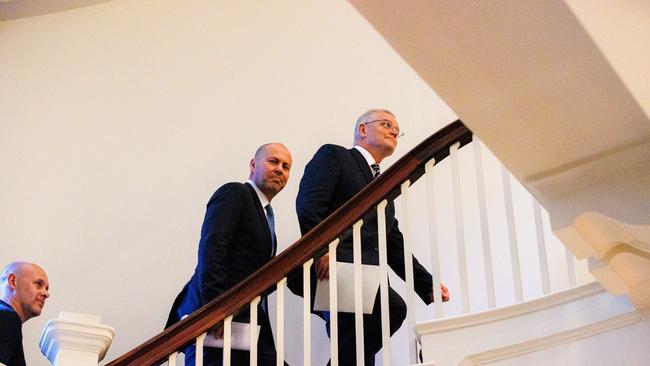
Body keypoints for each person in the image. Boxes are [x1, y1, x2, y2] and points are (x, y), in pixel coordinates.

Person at [293, 109, 449, 365]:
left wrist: (426, 284)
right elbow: (309, 206)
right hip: (335, 269)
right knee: (391, 310)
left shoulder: (384, 185)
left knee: (360, 350)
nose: (394, 132)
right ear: (363, 129)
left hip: (369, 277)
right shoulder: (335, 156)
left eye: (397, 131)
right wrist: (321, 250)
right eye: (387, 124)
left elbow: (393, 242)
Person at [166, 143, 292, 366]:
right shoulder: (235, 193)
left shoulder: (266, 215)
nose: (280, 169)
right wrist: (215, 308)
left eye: (286, 166)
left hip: (246, 318)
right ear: (253, 165)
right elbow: (213, 247)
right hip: (216, 314)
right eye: (273, 161)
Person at [0, 261, 50, 366]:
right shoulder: (6, 316)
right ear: (13, 281)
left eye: (46, 288)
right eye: (38, 284)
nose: (46, 294)